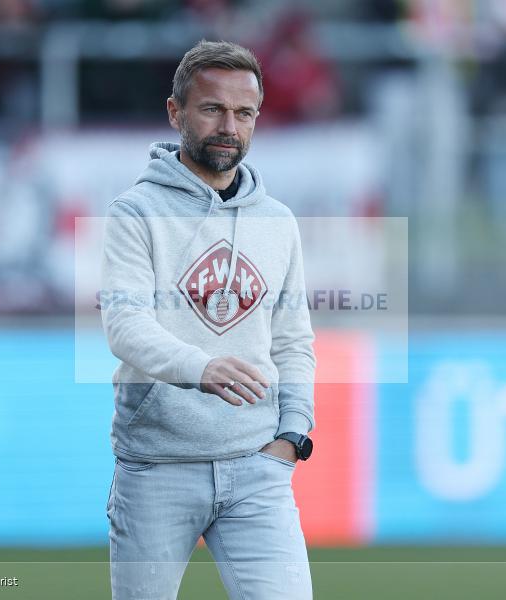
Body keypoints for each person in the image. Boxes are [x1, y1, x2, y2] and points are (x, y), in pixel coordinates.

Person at [100, 40, 316, 600]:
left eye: (244, 113)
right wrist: (202, 366)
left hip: (257, 468)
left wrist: (293, 434)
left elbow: (294, 341)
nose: (229, 126)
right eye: (211, 108)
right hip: (156, 467)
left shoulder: (277, 220)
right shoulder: (135, 212)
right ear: (175, 113)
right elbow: (125, 326)